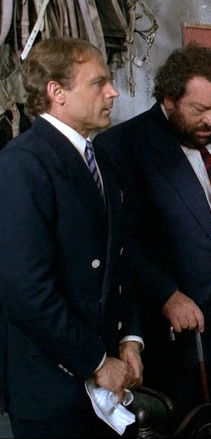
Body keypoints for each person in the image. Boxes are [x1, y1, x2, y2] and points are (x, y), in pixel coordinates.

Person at [95, 44, 211, 416]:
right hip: (167, 331)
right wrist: (166, 294)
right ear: (169, 98)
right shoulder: (122, 146)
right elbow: (119, 241)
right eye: (198, 109)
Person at [0, 37, 142, 437]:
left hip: (106, 378)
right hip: (54, 387)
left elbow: (118, 259)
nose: (113, 92)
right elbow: (26, 291)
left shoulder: (100, 159)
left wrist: (130, 337)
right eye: (98, 83)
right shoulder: (22, 164)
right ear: (56, 92)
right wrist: (96, 361)